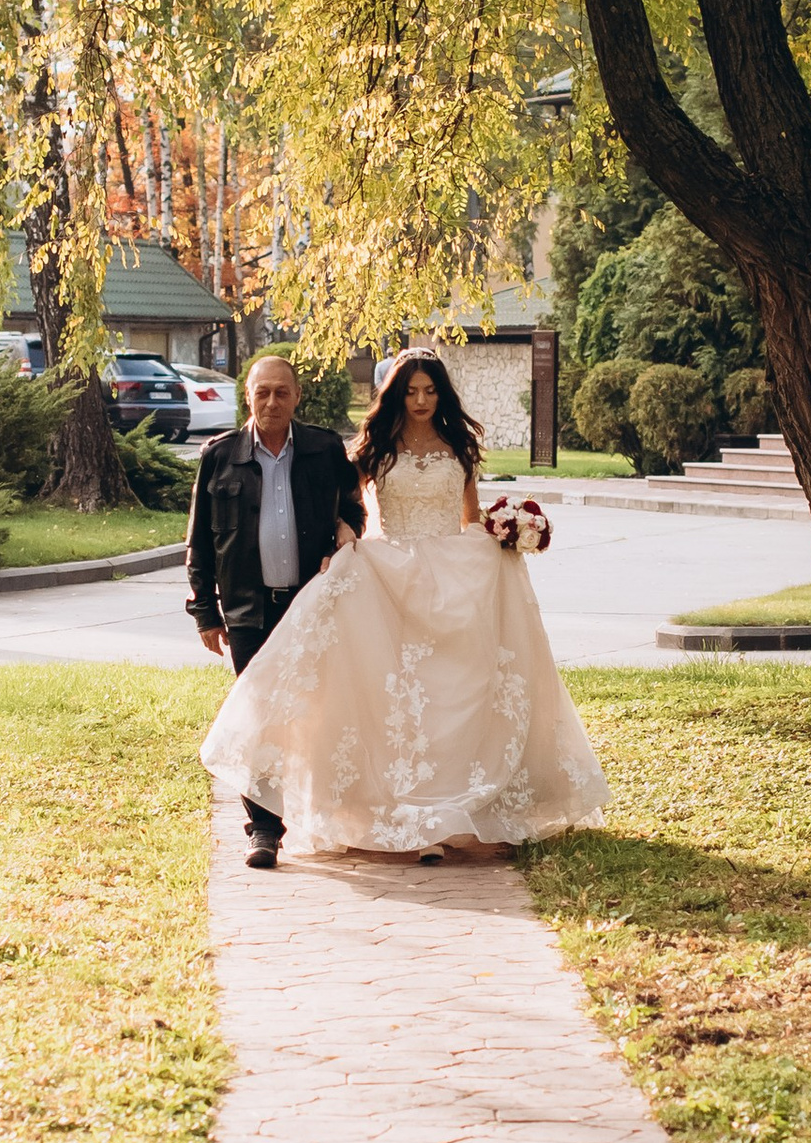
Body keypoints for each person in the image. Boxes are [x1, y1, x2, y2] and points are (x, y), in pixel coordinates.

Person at [201, 346, 610, 863]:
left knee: (448, 695)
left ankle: (448, 809)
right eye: (411, 390)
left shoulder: (459, 446)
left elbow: (468, 517)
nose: (420, 400)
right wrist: (345, 533)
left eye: (430, 390)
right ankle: (394, 813)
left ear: (441, 394)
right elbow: (350, 505)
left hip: (451, 575)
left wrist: (510, 528)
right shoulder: (375, 448)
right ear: (397, 392)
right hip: (389, 575)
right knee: (398, 701)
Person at [185, 351, 369, 869]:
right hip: (248, 612)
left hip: (310, 605)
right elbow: (198, 542)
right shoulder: (219, 456)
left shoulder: (324, 449)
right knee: (260, 720)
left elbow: (352, 507)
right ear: (248, 395)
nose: (271, 401)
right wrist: (205, 613)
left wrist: (346, 531)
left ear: (296, 397)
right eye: (262, 392)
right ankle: (264, 829)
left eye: (281, 392)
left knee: (316, 714)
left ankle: (328, 812)